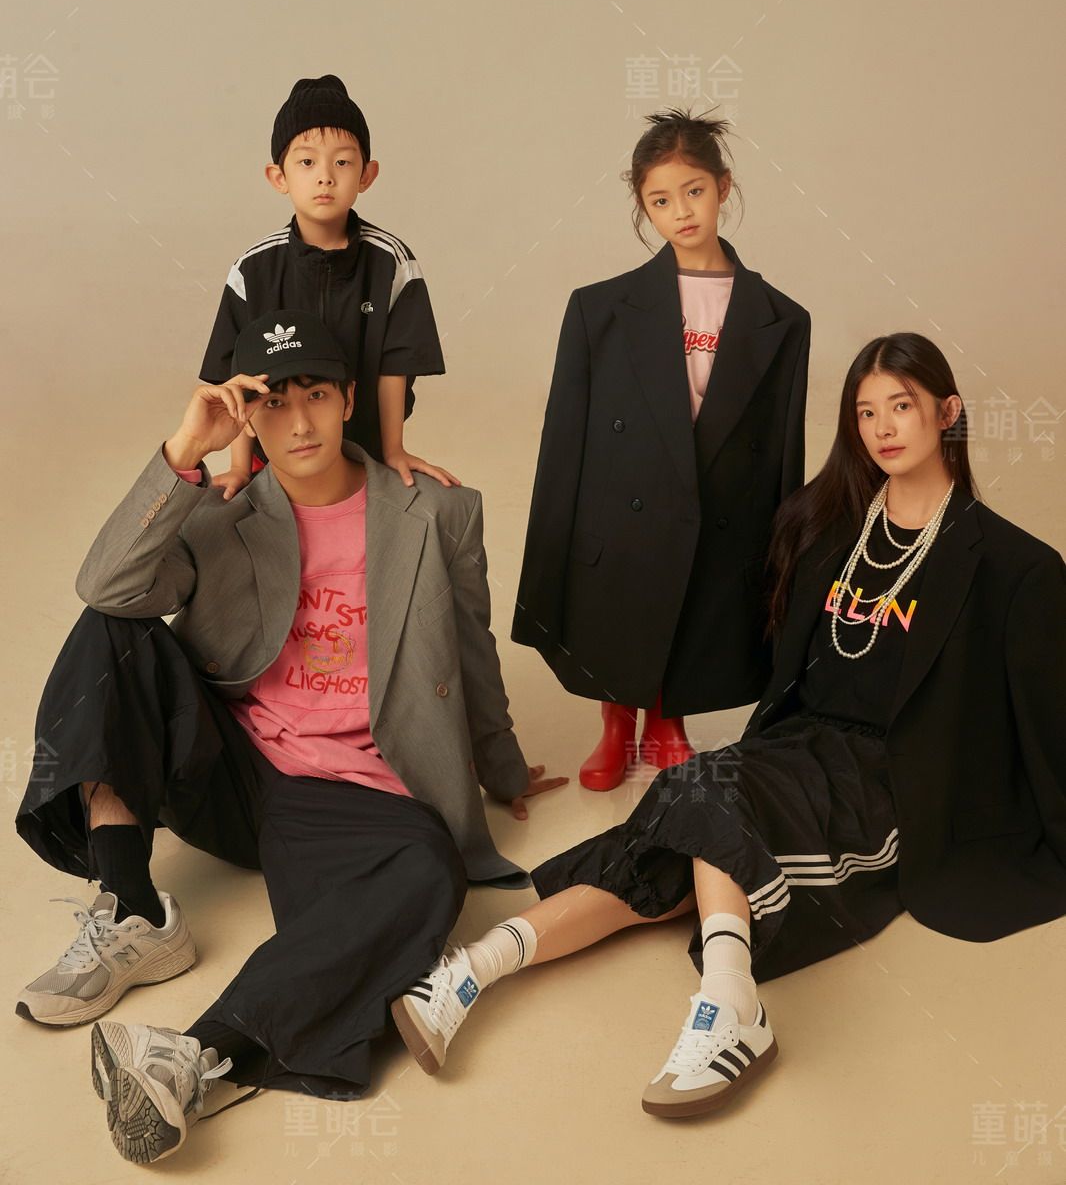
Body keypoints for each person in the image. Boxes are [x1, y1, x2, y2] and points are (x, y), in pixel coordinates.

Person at [392, 333, 1066, 1118]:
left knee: (703, 801)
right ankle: (473, 971)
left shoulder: (1014, 568)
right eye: (865, 411)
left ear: (947, 412)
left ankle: (727, 1006)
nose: (882, 427)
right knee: (686, 821)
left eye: (902, 406)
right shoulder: (831, 531)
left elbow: (1045, 727)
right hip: (794, 751)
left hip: (889, 782)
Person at [15, 308, 565, 1164]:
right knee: (110, 627)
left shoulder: (438, 513)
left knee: (431, 871)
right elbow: (105, 584)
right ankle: (131, 908)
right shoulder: (218, 513)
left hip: (352, 795)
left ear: (348, 399)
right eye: (272, 402)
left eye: (315, 395)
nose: (298, 422)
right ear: (248, 417)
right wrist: (185, 450)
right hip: (234, 766)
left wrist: (502, 766)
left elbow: (472, 644)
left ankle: (193, 1058)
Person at [511, 108, 810, 788]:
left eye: (694, 191)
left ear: (723, 187)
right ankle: (617, 725)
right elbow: (563, 439)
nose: (682, 212)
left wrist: (780, 552)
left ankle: (667, 723)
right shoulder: (599, 310)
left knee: (695, 602)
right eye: (661, 200)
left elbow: (780, 449)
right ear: (643, 206)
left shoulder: (783, 319)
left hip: (718, 505)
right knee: (622, 602)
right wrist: (551, 542)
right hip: (622, 502)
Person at [199, 73, 454, 495]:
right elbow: (236, 375)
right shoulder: (253, 269)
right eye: (307, 162)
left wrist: (393, 449)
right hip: (280, 456)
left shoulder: (392, 263)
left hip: (365, 453)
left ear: (367, 175)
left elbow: (395, 368)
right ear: (278, 177)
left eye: (342, 162)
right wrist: (240, 466)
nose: (325, 177)